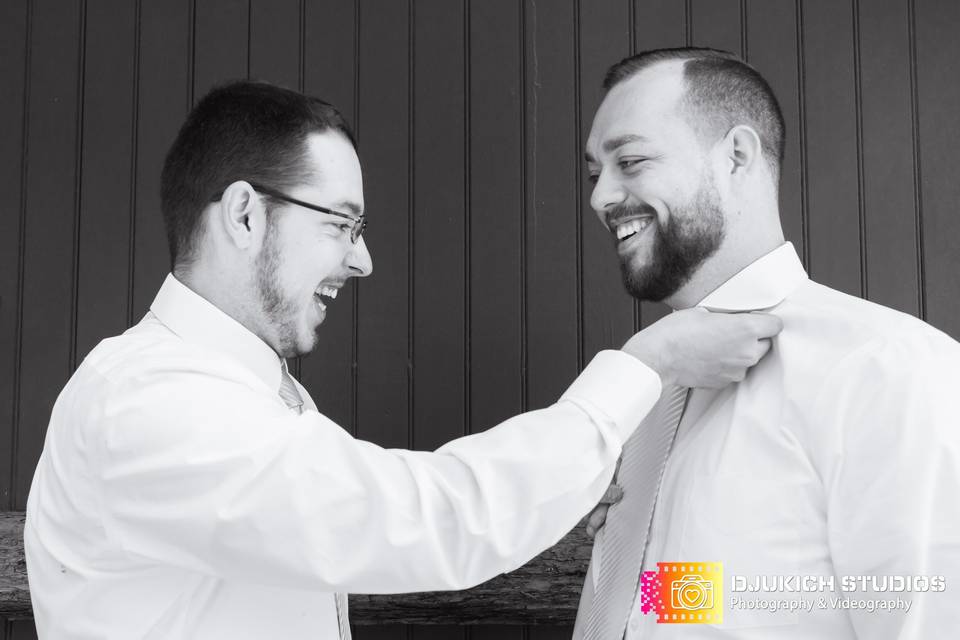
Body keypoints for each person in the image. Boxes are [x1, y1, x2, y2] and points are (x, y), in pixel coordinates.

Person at [23, 80, 782, 639]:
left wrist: (571, 485)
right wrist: (644, 365)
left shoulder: (243, 393)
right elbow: (426, 523)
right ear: (247, 214)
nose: (364, 262)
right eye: (342, 225)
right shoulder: (148, 405)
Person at [573, 48, 960, 639]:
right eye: (596, 174)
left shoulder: (888, 370)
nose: (601, 198)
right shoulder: (646, 390)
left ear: (737, 155)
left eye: (630, 160)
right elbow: (711, 603)